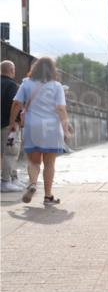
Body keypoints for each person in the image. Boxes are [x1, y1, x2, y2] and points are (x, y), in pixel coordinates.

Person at [6, 57, 74, 205]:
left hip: (32, 127)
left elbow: (17, 103)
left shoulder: (26, 83)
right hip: (51, 128)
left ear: (35, 69)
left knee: (33, 160)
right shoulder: (57, 86)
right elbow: (61, 109)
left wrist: (12, 122)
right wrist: (66, 128)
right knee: (49, 163)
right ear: (52, 70)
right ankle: (48, 196)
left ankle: (32, 184)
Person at [1, 60, 24, 192]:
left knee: (4, 153)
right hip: (10, 127)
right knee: (11, 152)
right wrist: (16, 122)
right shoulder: (12, 85)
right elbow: (15, 105)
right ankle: (5, 181)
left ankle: (13, 178)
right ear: (11, 70)